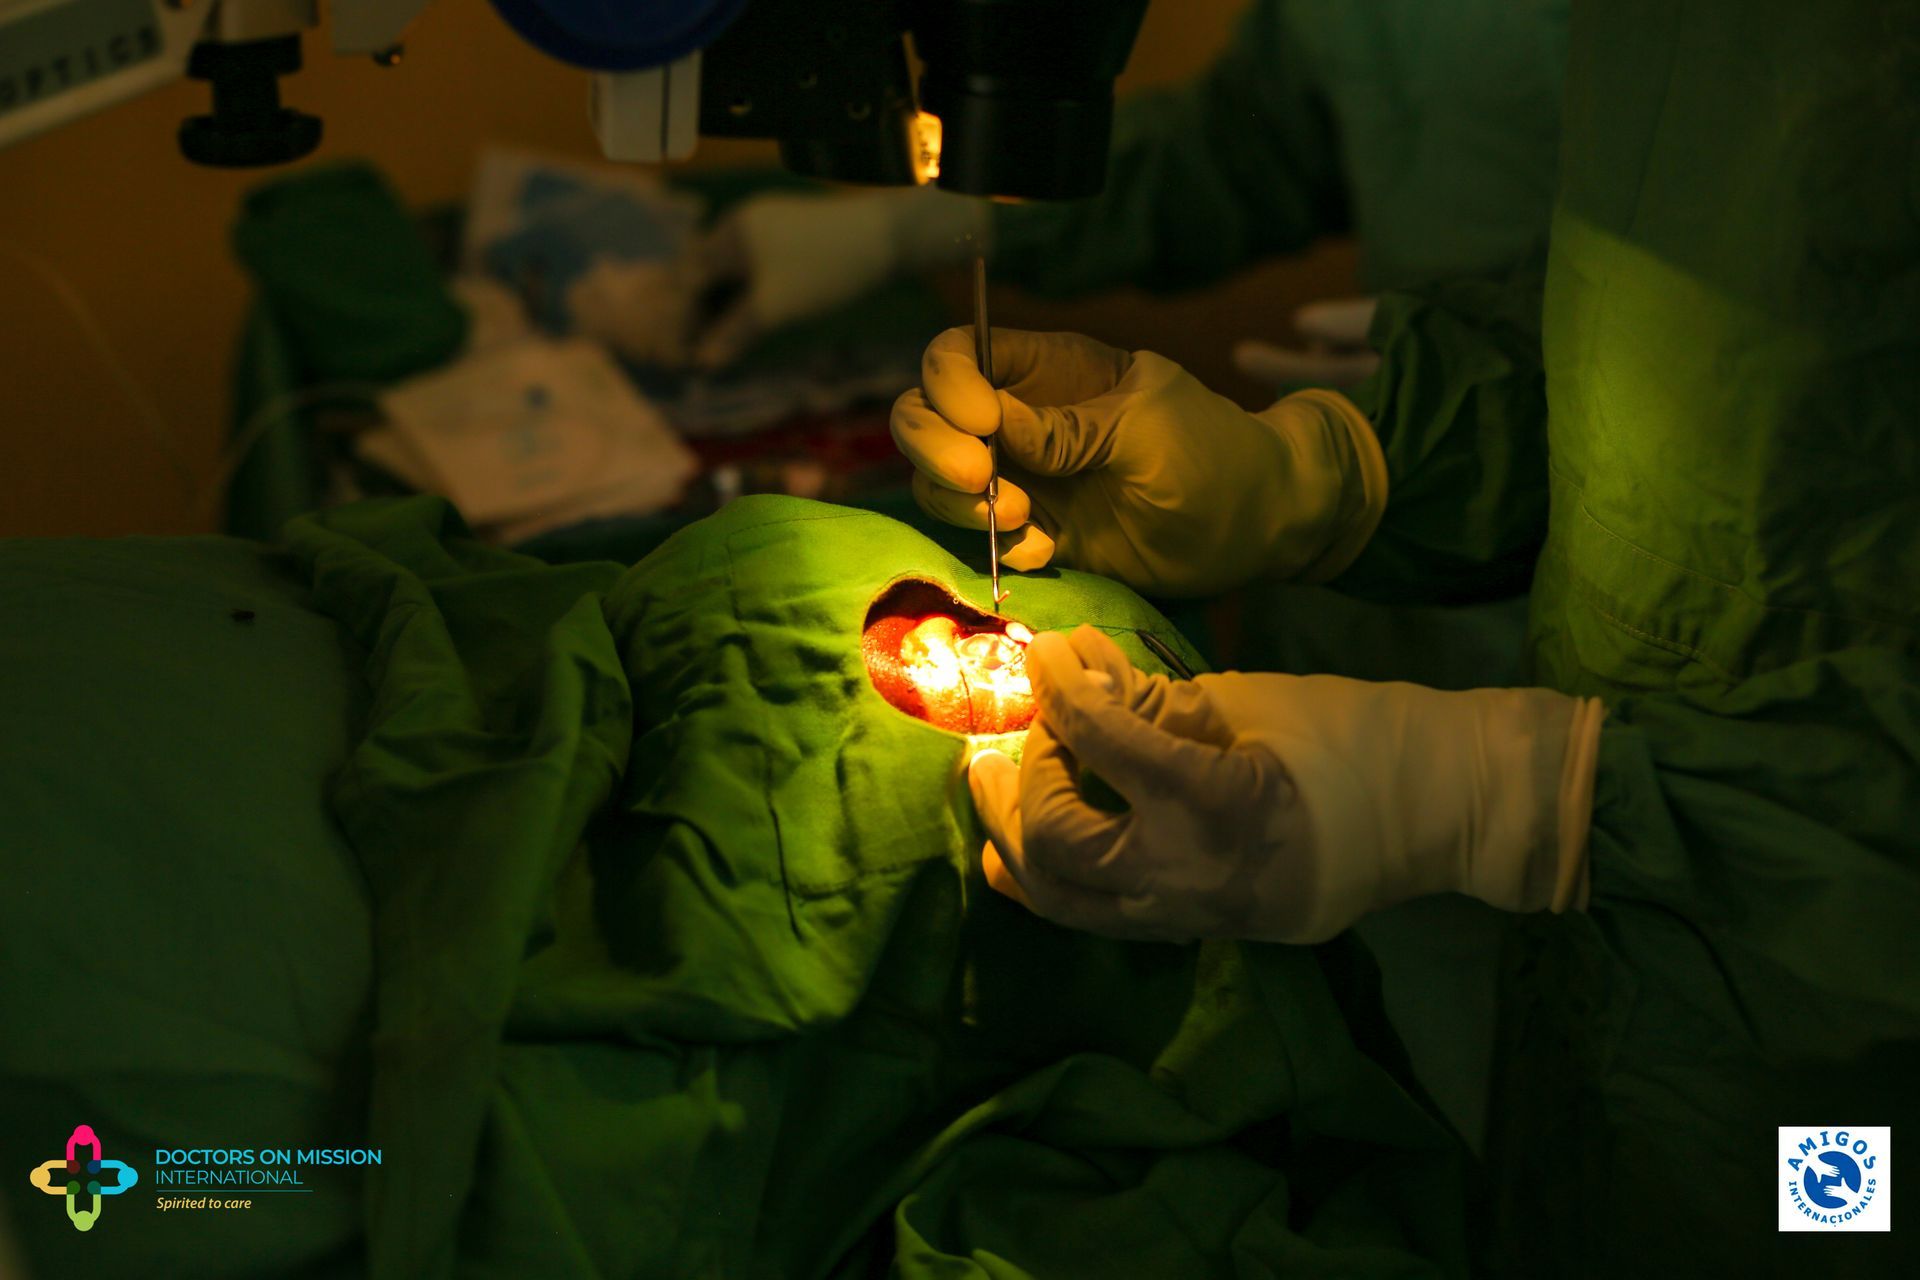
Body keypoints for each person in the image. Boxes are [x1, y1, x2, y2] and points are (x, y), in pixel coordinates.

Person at [892, 0, 1920, 1270]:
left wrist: (1526, 797)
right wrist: (1331, 469)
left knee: (1831, 1220)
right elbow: (1738, 332)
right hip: (1634, 1021)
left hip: (1857, 1050)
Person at [693, 0, 1571, 374]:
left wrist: (1503, 394)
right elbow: (1246, 154)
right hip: (1379, 600)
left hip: (1610, 591)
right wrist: (910, 227)